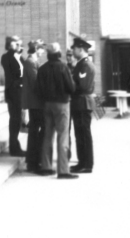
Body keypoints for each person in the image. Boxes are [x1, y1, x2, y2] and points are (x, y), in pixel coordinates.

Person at [36, 42, 78, 179]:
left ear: (48, 54)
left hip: (47, 105)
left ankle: (46, 167)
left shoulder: (42, 69)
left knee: (47, 135)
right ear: (58, 53)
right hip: (62, 104)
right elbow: (71, 88)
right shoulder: (63, 67)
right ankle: (63, 170)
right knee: (63, 136)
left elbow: (38, 89)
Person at [70, 37, 95, 174]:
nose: (72, 50)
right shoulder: (81, 64)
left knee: (83, 134)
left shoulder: (84, 65)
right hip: (80, 103)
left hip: (82, 103)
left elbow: (83, 86)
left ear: (80, 49)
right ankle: (82, 162)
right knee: (80, 134)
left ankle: (87, 164)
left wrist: (68, 86)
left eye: (74, 48)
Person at [22, 39, 46, 172]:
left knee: (35, 131)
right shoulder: (31, 62)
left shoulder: (33, 62)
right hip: (36, 102)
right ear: (36, 48)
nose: (42, 51)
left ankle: (33, 159)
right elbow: (36, 82)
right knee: (35, 131)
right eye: (41, 48)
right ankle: (33, 160)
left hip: (36, 102)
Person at [1, 36, 26, 157]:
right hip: (13, 92)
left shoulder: (19, 57)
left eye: (19, 43)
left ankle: (15, 145)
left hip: (20, 92)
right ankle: (14, 147)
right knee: (14, 119)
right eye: (15, 43)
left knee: (18, 120)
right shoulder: (6, 57)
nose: (18, 45)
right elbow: (11, 75)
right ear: (9, 45)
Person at [66, 48, 77, 160]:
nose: (69, 57)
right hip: (67, 102)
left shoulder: (78, 68)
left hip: (77, 102)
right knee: (66, 130)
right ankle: (67, 153)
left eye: (71, 55)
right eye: (67, 55)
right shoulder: (65, 68)